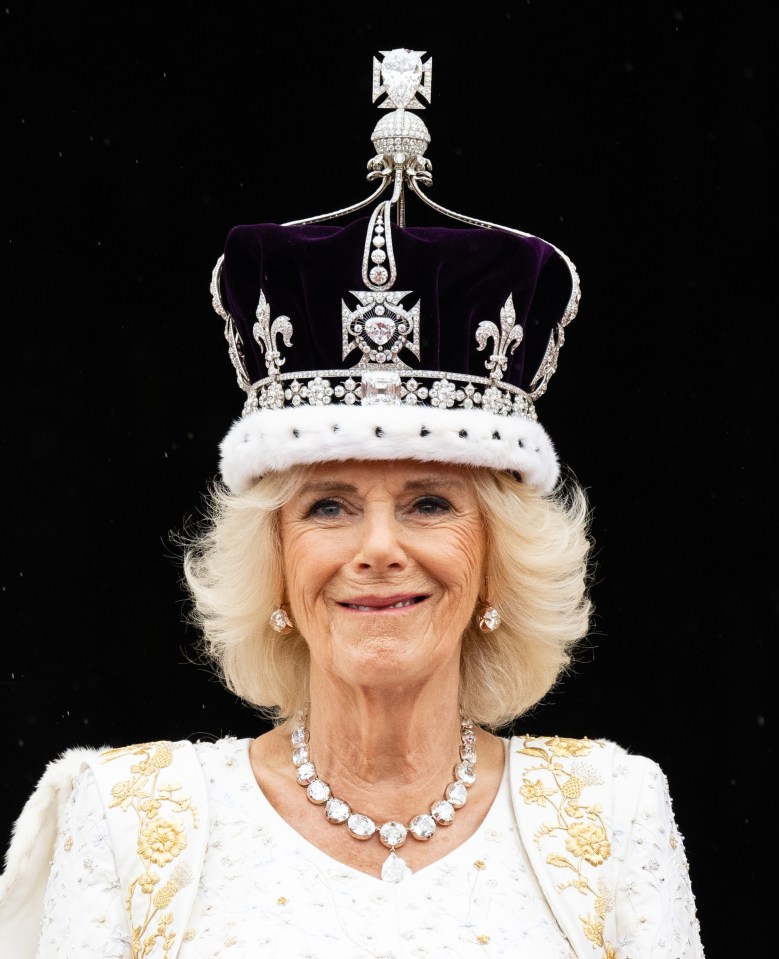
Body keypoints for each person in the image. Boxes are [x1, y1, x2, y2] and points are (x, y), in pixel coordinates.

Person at [0, 48, 704, 958]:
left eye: (428, 503)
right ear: (275, 561)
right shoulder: (129, 819)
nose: (376, 547)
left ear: (498, 555)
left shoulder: (612, 812)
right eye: (328, 506)